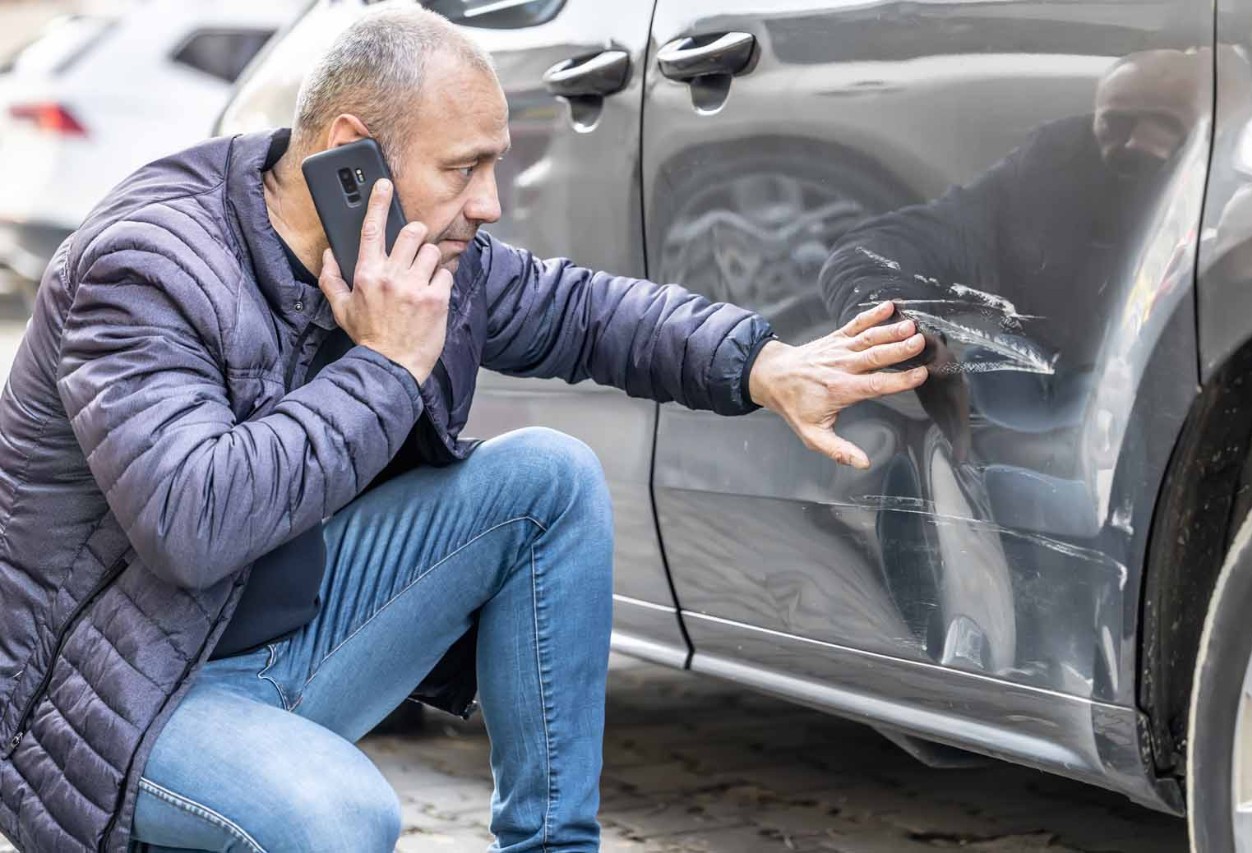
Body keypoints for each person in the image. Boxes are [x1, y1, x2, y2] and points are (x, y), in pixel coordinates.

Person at [0, 5, 929, 852]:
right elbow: (192, 525)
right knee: (340, 817)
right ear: (350, 152)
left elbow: (582, 311)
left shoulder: (413, 247)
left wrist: (761, 366)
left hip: (275, 641)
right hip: (118, 700)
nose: (488, 202)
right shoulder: (147, 265)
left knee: (547, 479)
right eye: (464, 167)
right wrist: (387, 364)